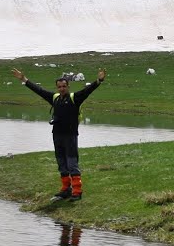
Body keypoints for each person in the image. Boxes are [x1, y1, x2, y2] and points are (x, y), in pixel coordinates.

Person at [11, 67, 106, 200]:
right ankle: (66, 189)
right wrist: (24, 80)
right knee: (61, 162)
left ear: (68, 86)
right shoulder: (55, 98)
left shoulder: (75, 98)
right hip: (57, 135)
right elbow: (39, 91)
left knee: (72, 163)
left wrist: (99, 80)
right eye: (59, 87)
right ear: (57, 87)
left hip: (71, 135)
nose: (61, 89)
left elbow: (87, 90)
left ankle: (77, 191)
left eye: (64, 86)